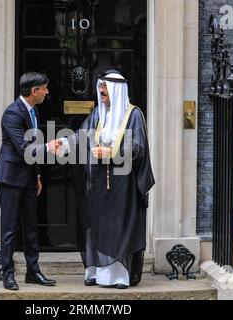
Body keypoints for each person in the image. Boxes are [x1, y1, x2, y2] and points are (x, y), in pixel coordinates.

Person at [59, 69, 155, 289]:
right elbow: (82, 136)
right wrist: (63, 144)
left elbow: (138, 149)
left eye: (105, 92)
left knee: (119, 226)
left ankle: (119, 276)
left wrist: (110, 153)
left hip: (123, 184)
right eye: (100, 92)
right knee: (98, 224)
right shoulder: (98, 115)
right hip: (99, 182)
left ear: (116, 92)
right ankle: (96, 273)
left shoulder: (134, 115)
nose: (101, 96)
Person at [0, 71, 60, 290]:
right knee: (10, 228)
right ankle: (8, 274)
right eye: (45, 88)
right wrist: (48, 147)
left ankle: (33, 272)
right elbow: (24, 148)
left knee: (31, 226)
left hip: (29, 178)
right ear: (34, 91)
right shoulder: (12, 113)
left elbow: (33, 145)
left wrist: (38, 175)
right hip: (11, 178)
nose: (47, 92)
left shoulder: (33, 111)